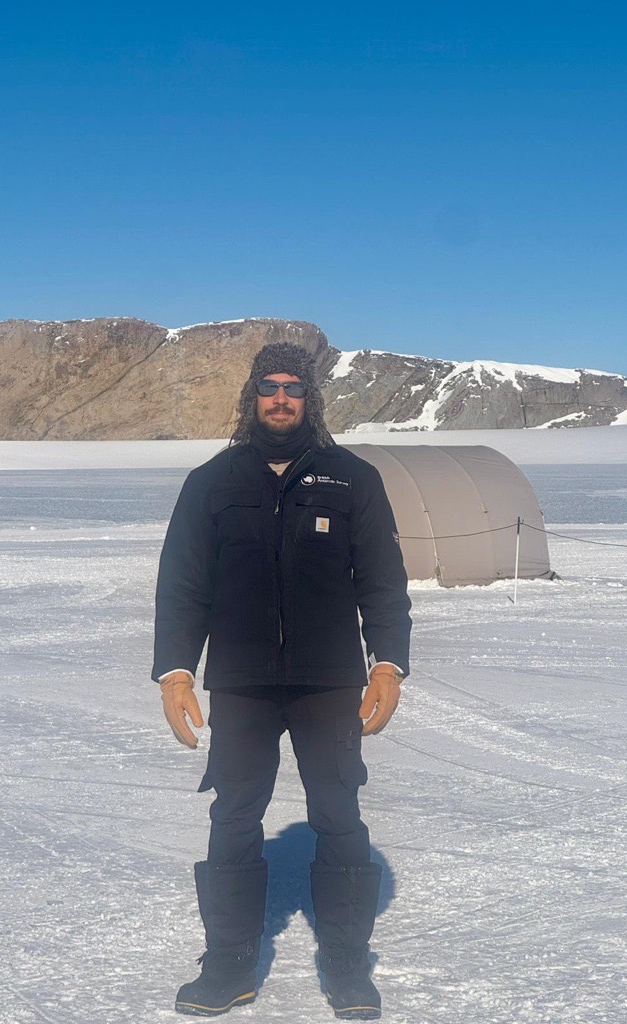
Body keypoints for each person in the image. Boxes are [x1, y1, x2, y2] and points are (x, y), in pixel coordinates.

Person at [152, 342, 411, 1020]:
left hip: (329, 682)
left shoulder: (351, 477)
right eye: (269, 385)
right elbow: (182, 584)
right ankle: (230, 963)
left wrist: (388, 660)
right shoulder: (212, 481)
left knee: (339, 812)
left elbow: (382, 580)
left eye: (293, 387)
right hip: (240, 683)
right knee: (234, 815)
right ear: (252, 393)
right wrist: (175, 667)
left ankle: (348, 965)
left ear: (310, 398)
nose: (280, 398)